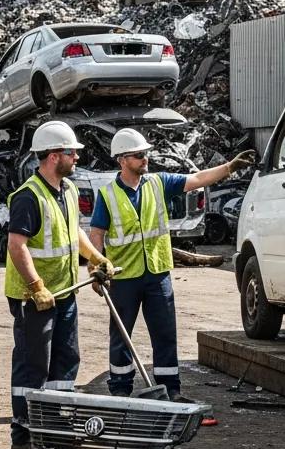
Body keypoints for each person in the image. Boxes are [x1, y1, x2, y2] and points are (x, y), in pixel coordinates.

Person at [89, 128, 254, 402]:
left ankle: (170, 390)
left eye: (146, 154)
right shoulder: (107, 195)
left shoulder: (158, 183)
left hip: (157, 273)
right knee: (121, 335)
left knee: (165, 334)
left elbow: (198, 179)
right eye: (139, 155)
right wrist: (96, 268)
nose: (145, 159)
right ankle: (120, 388)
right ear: (122, 159)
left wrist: (230, 166)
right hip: (122, 276)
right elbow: (97, 234)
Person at [5, 121, 116, 449]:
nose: (77, 158)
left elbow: (73, 233)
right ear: (54, 156)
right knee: (33, 363)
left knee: (66, 361)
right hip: (34, 296)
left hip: (65, 291)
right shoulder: (28, 196)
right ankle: (24, 431)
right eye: (72, 152)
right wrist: (36, 286)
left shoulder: (67, 190)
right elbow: (17, 246)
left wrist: (96, 257)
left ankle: (53, 426)